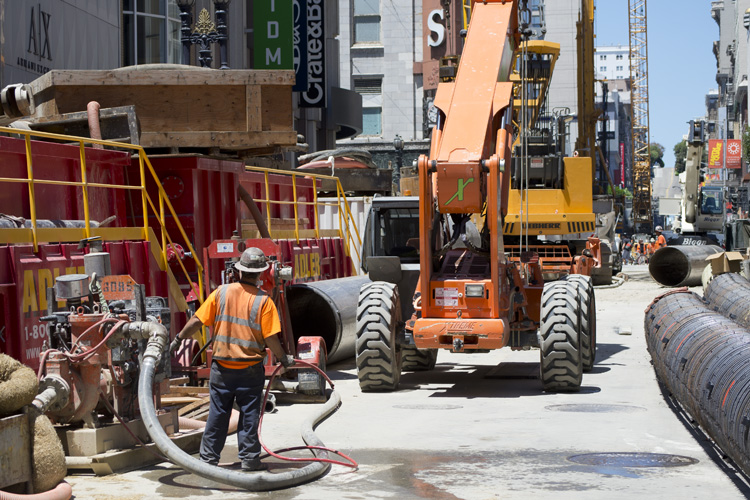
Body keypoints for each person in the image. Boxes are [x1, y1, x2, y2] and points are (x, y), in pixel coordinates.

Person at [170, 247, 294, 472]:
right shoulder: (264, 302)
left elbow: (197, 321)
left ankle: (208, 460)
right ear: (261, 274)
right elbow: (271, 339)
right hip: (249, 370)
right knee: (249, 415)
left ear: (238, 271)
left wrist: (178, 338)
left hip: (221, 369)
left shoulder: (221, 293)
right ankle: (249, 460)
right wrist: (284, 359)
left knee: (218, 415)